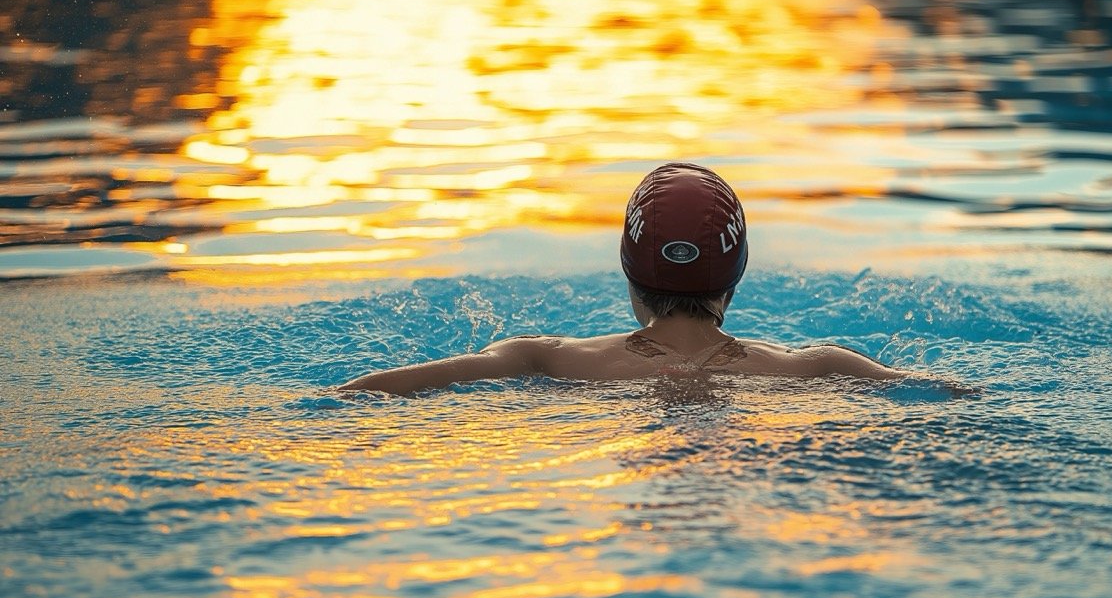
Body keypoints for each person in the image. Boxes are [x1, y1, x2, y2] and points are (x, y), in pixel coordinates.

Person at [339, 162, 928, 396]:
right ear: (736, 274)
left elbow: (365, 392)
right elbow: (954, 395)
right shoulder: (822, 366)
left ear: (629, 270)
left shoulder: (545, 359)